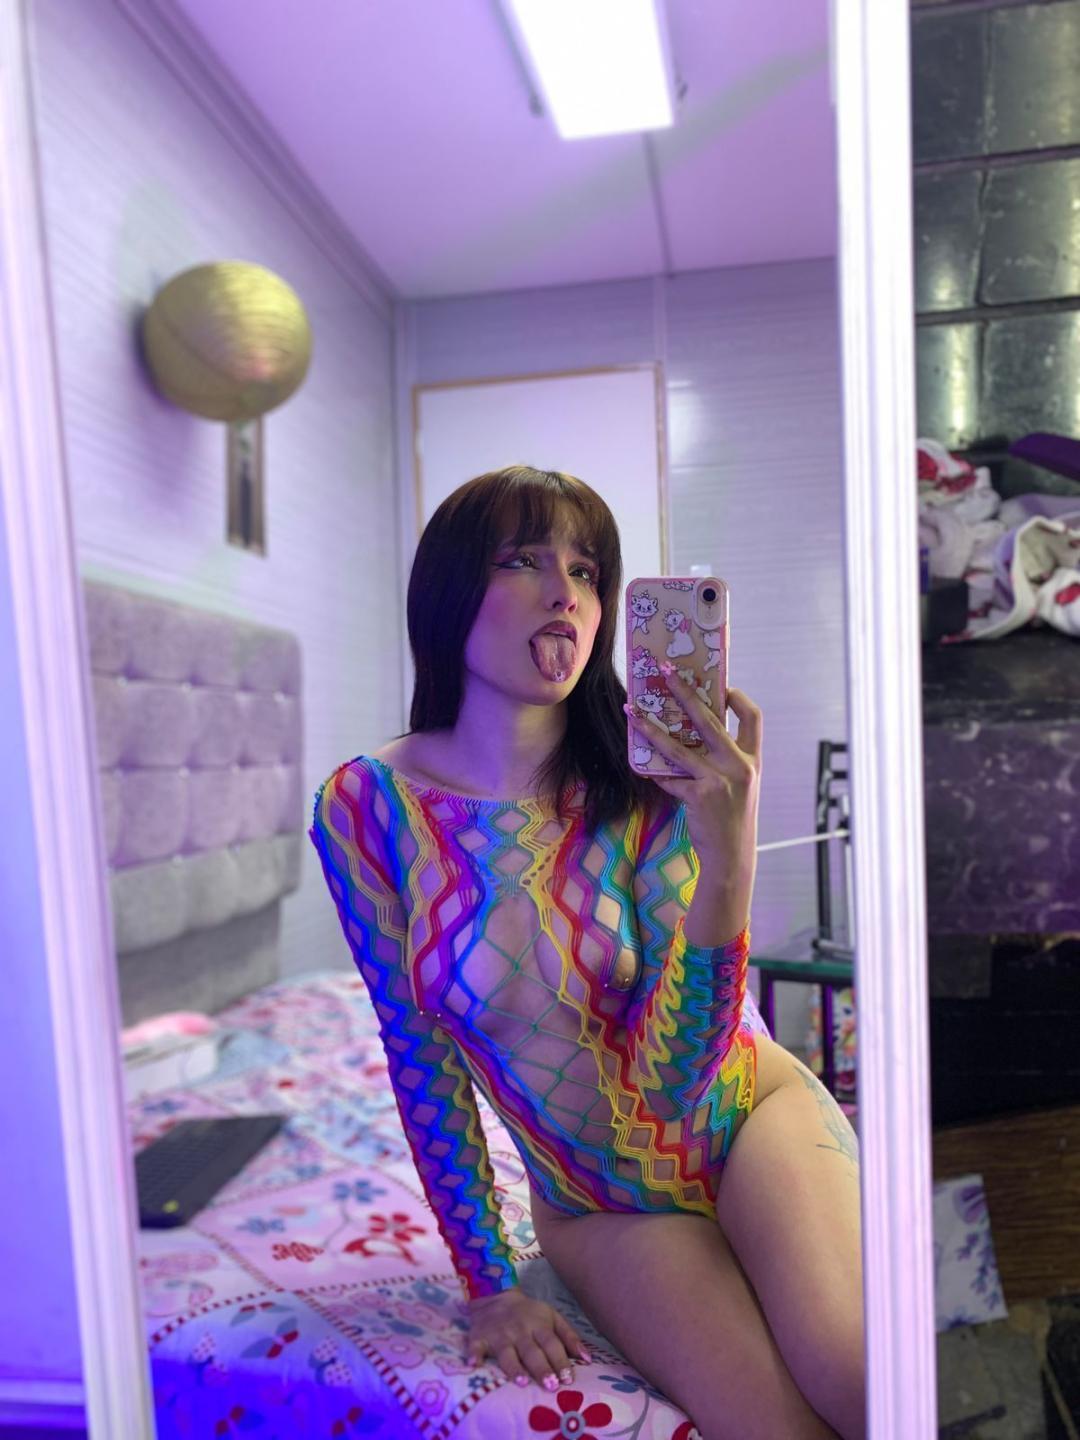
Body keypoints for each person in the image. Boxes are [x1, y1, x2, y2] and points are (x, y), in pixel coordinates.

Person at [310, 465, 865, 1440]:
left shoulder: (646, 782)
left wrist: (729, 865)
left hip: (748, 1119)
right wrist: (490, 1282)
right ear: (448, 591)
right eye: (522, 561)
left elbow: (676, 1086)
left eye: (585, 570)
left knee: (864, 1383)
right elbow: (418, 1053)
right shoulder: (364, 809)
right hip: (599, 1209)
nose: (564, 591)